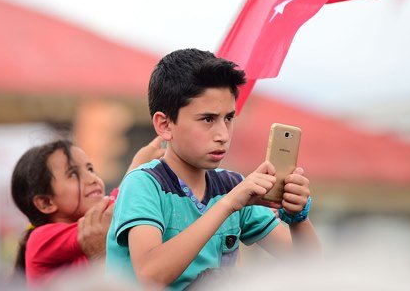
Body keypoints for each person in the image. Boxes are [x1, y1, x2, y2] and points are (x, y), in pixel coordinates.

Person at [105, 48, 322, 290]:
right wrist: (228, 204)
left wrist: (297, 217)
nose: (222, 135)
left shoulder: (232, 186)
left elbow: (312, 269)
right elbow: (151, 275)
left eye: (228, 118)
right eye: (207, 119)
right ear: (165, 124)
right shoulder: (144, 184)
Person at [10, 137, 164, 285]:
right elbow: (110, 215)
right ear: (46, 202)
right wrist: (136, 168)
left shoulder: (89, 234)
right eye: (73, 174)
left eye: (90, 169)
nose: (92, 178)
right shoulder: (40, 238)